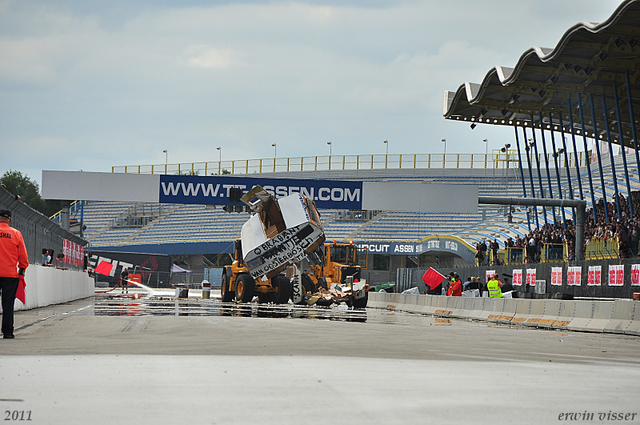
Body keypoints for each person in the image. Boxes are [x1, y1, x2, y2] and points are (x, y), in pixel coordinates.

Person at [0, 210, 29, 339]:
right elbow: (23, 256)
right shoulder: (16, 233)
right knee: (7, 304)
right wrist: (22, 269)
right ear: (10, 220)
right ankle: (7, 332)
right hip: (10, 275)